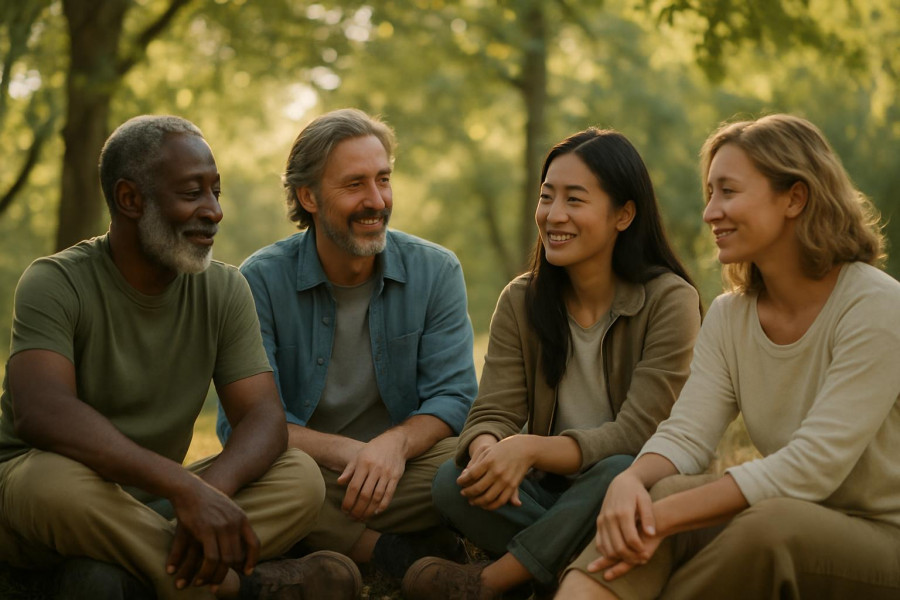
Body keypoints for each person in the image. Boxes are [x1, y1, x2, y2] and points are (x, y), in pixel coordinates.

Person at [0, 115, 363, 600]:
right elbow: (42, 411)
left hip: (156, 502)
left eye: (216, 192)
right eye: (192, 193)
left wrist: (205, 492)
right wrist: (184, 489)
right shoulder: (55, 282)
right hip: (50, 496)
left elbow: (263, 418)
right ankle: (234, 585)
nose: (213, 211)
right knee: (48, 481)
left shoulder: (225, 288)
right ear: (130, 199)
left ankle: (123, 572)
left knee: (299, 477)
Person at [558, 114, 900, 599]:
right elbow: (687, 435)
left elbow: (812, 465)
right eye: (710, 192)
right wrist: (631, 483)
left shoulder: (877, 305)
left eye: (729, 191)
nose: (710, 211)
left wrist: (657, 518)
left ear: (794, 198)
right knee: (669, 489)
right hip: (793, 513)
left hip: (883, 539)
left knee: (767, 525)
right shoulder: (729, 315)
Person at [401, 128, 701, 599]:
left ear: (623, 214)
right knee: (450, 483)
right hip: (546, 493)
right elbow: (493, 411)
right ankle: (579, 563)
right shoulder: (521, 299)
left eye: (575, 200)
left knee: (618, 468)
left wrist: (531, 448)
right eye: (547, 197)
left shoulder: (669, 300)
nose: (553, 215)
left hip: (632, 487)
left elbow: (639, 433)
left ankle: (494, 580)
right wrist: (487, 453)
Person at [217, 108, 478, 579]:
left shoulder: (437, 270)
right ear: (308, 196)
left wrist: (393, 446)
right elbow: (245, 423)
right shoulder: (258, 280)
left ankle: (310, 541)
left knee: (466, 466)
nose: (376, 200)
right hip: (308, 473)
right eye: (354, 184)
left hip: (402, 473)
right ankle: (388, 552)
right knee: (286, 485)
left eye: (383, 179)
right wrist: (352, 454)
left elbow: (455, 396)